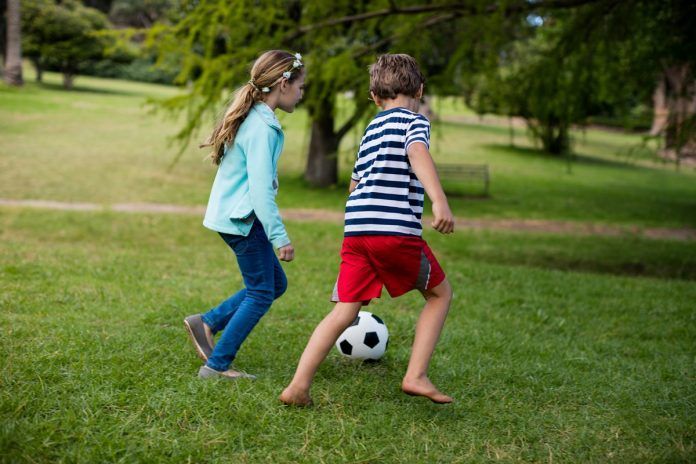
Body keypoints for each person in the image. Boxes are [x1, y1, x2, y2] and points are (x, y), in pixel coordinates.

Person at [280, 54, 455, 406]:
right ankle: (416, 375)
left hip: (357, 231)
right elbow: (418, 152)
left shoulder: (370, 129)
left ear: (375, 97)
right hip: (394, 233)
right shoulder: (414, 122)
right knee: (440, 295)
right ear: (420, 89)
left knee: (344, 311)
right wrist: (439, 200)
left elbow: (353, 185)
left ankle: (298, 386)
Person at [184, 50, 305, 380]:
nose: (302, 93)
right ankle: (217, 365)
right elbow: (261, 192)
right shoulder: (263, 128)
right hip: (244, 220)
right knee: (261, 291)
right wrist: (280, 237)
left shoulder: (254, 117)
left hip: (233, 216)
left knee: (274, 284)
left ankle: (207, 322)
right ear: (283, 84)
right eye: (300, 86)